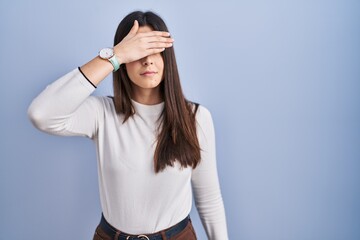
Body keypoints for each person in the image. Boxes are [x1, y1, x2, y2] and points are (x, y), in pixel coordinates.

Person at [28, 11, 228, 240]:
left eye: (155, 50)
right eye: (138, 51)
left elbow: (209, 198)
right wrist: (114, 56)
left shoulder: (196, 117)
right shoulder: (101, 113)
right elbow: (40, 114)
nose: (147, 60)